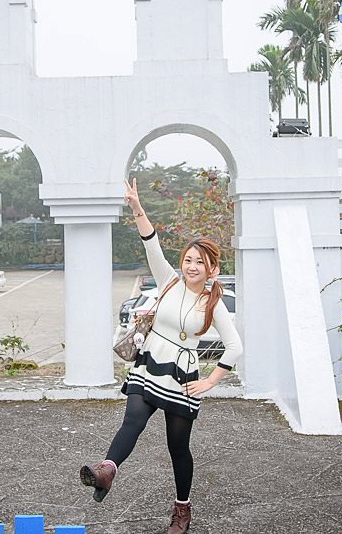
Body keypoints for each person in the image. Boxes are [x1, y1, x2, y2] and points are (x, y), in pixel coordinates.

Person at [80, 177, 243, 534]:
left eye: (199, 262)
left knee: (177, 447)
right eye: (188, 260)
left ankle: (182, 508)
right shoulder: (168, 280)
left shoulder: (214, 302)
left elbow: (235, 346)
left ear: (211, 268)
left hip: (183, 377)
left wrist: (211, 381)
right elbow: (150, 242)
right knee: (133, 419)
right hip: (149, 363)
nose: (191, 266)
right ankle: (107, 471)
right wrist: (137, 207)